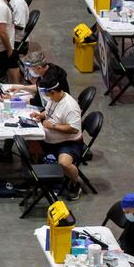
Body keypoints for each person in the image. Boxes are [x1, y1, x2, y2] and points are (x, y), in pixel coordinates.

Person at [28, 69, 85, 199]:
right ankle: (41, 176)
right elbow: (49, 112)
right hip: (50, 139)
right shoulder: (53, 98)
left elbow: (74, 129)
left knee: (64, 163)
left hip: (69, 143)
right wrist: (40, 115)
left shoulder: (70, 106)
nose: (46, 98)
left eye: (47, 94)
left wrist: (53, 126)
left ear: (53, 92)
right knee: (29, 143)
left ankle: (75, 183)